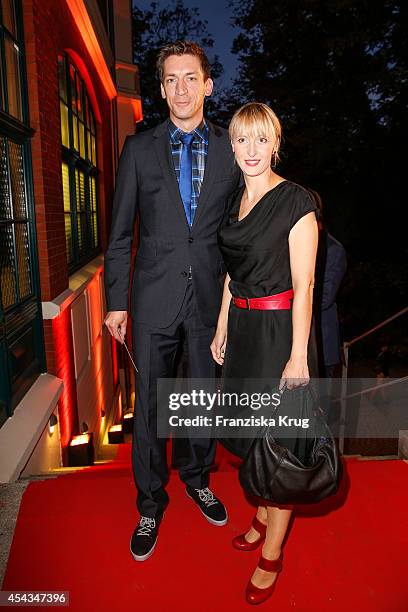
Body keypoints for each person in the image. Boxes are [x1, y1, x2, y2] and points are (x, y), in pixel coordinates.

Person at [104, 41, 241, 562]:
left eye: (190, 78)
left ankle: (199, 478)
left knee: (204, 398)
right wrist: (117, 301)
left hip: (210, 297)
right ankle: (148, 502)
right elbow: (119, 235)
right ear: (160, 89)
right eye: (170, 80)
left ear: (208, 85)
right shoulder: (139, 150)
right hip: (152, 297)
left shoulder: (233, 147)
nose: (180, 88)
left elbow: (240, 229)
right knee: (152, 406)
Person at [211, 103, 318, 604]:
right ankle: (259, 516)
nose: (251, 151)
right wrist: (221, 324)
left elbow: (305, 283)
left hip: (280, 333)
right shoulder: (235, 199)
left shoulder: (296, 201)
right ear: (232, 146)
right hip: (244, 332)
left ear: (275, 143)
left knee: (280, 443)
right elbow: (233, 273)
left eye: (261, 140)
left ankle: (272, 554)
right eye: (241, 140)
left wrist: (298, 357)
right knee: (249, 433)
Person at [310, 188, 347, 379]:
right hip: (297, 348)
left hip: (322, 346)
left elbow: (324, 298)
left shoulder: (333, 249)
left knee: (322, 405)